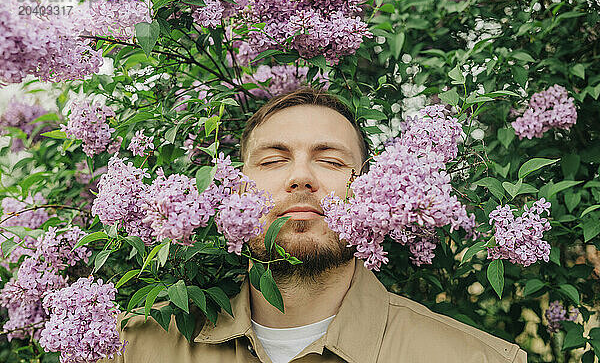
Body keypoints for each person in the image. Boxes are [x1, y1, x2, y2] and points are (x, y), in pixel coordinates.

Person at [102, 88, 527, 363]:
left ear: (371, 190)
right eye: (272, 160)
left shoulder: (479, 359)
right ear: (233, 189)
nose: (301, 176)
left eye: (331, 160)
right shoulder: (136, 347)